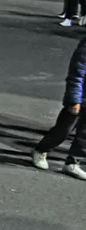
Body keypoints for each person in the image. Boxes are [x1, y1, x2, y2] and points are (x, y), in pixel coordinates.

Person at [32, 35, 86, 180]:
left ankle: (73, 162)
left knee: (84, 136)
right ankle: (41, 150)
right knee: (63, 129)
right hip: (80, 99)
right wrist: (74, 100)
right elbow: (76, 75)